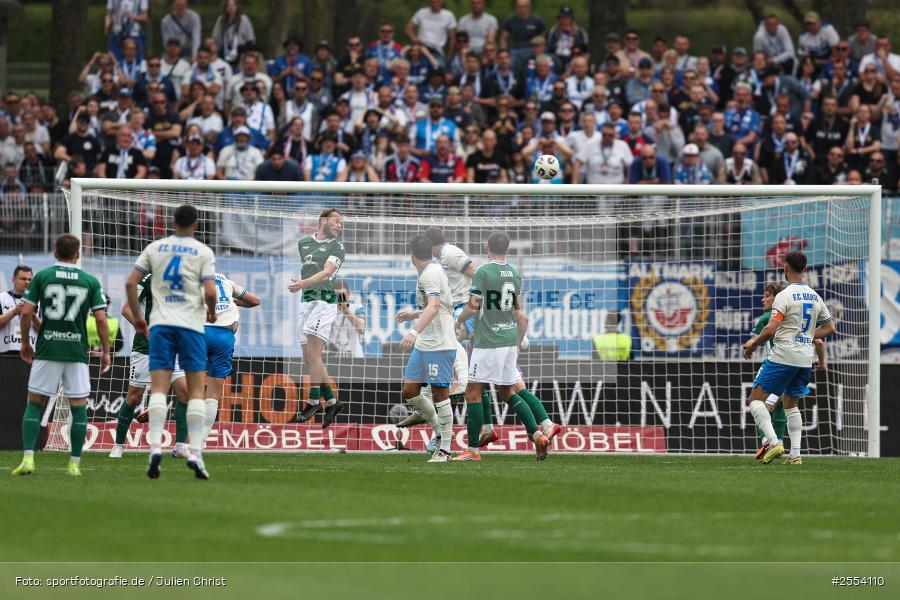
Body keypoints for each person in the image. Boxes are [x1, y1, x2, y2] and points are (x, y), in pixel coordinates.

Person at [126, 204, 217, 479]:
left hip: (162, 326)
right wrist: (211, 312)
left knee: (158, 389)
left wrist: (140, 320)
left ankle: (155, 448)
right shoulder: (203, 251)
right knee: (197, 391)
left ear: (172, 223)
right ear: (196, 225)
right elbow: (211, 292)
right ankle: (196, 454)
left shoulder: (155, 248)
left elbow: (131, 283)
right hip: (190, 326)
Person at [12, 235, 109, 477]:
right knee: (78, 407)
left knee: (34, 403)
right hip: (76, 351)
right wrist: (106, 351)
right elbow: (100, 319)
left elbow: (26, 313)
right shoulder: (89, 280)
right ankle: (74, 464)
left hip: (47, 349)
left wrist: (25, 342)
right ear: (78, 254)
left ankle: (28, 460)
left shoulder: (43, 276)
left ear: (55, 252)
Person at [453, 231, 549, 462]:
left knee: (473, 392)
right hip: (508, 341)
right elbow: (517, 312)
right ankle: (537, 436)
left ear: (487, 247)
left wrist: (458, 319)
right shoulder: (515, 275)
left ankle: (473, 450)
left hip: (487, 342)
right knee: (507, 392)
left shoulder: (483, 272)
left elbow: (474, 305)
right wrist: (516, 343)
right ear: (507, 249)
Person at [743, 250, 835, 465]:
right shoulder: (815, 296)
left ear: (785, 268)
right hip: (805, 359)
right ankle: (795, 455)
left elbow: (771, 329)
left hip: (783, 356)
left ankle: (774, 442)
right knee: (791, 405)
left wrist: (752, 345)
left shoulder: (784, 295)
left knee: (755, 400)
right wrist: (805, 336)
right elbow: (830, 327)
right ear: (804, 270)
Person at [109, 271, 190, 459]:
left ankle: (179, 446)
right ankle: (119, 445)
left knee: (184, 392)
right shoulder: (146, 279)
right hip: (147, 347)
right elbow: (127, 309)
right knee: (134, 397)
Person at [394, 235, 458, 463]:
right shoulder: (430, 270)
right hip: (425, 345)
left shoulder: (430, 273)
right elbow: (433, 307)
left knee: (441, 395)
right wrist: (413, 314)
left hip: (439, 344)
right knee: (410, 391)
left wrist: (413, 331)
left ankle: (445, 449)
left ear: (412, 254)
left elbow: (435, 306)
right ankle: (439, 431)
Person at [288, 208, 346, 429]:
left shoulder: (337, 247)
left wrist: (301, 283)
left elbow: (325, 274)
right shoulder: (303, 243)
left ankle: (313, 400)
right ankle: (331, 401)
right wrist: (303, 286)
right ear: (323, 221)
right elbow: (310, 271)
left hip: (325, 302)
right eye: (336, 221)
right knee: (308, 356)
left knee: (314, 354)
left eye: (341, 223)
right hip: (307, 303)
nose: (339, 226)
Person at [200, 272, 260, 456]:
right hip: (224, 337)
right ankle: (199, 444)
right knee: (213, 393)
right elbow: (255, 301)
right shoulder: (227, 282)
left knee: (185, 382)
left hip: (199, 332)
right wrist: (233, 303)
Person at [0, 266, 39, 355]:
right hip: (5, 352)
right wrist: (14, 312)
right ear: (13, 279)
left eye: (30, 280)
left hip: (30, 352)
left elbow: (43, 330)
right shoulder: (2, 298)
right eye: (23, 279)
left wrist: (32, 315)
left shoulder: (38, 301)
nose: (27, 282)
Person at [501, 0, 545, 73]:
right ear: (516, 7)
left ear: (529, 7)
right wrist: (504, 52)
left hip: (531, 49)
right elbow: (503, 38)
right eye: (519, 6)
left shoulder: (537, 20)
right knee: (509, 64)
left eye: (524, 6)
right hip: (515, 50)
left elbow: (543, 36)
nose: (521, 9)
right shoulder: (510, 20)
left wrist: (540, 49)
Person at [211, 0, 255, 68]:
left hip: (240, 51)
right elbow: (215, 38)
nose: (231, 7)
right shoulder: (221, 20)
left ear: (237, 7)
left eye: (233, 5)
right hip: (224, 51)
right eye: (229, 5)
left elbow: (250, 39)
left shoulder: (244, 19)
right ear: (225, 7)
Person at [328, 279, 366, 358]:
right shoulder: (328, 310)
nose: (339, 298)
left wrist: (346, 310)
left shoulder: (357, 307)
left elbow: (362, 327)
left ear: (348, 294)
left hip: (355, 358)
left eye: (342, 294)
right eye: (337, 295)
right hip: (333, 359)